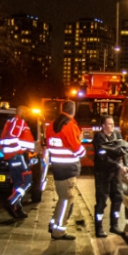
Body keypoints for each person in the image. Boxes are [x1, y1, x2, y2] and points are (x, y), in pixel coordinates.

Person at [45, 100, 85, 240]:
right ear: (73, 111)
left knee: (62, 197)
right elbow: (78, 150)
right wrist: (80, 140)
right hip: (68, 168)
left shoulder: (52, 124)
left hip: (57, 166)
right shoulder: (69, 125)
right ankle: (59, 230)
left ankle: (53, 223)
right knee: (67, 198)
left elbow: (50, 143)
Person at [92, 114, 128, 238]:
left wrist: (126, 165)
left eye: (113, 124)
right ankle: (99, 228)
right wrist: (119, 165)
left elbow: (123, 150)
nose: (112, 126)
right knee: (102, 200)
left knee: (117, 198)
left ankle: (114, 225)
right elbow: (102, 156)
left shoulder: (117, 135)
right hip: (103, 173)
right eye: (109, 124)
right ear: (103, 126)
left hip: (115, 173)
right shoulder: (99, 137)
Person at [0, 105, 36, 219]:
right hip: (18, 155)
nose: (28, 116)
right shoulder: (19, 122)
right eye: (27, 113)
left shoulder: (10, 122)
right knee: (27, 181)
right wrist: (32, 147)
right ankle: (11, 201)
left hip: (11, 157)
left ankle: (17, 208)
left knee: (17, 183)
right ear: (22, 113)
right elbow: (14, 138)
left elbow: (3, 140)